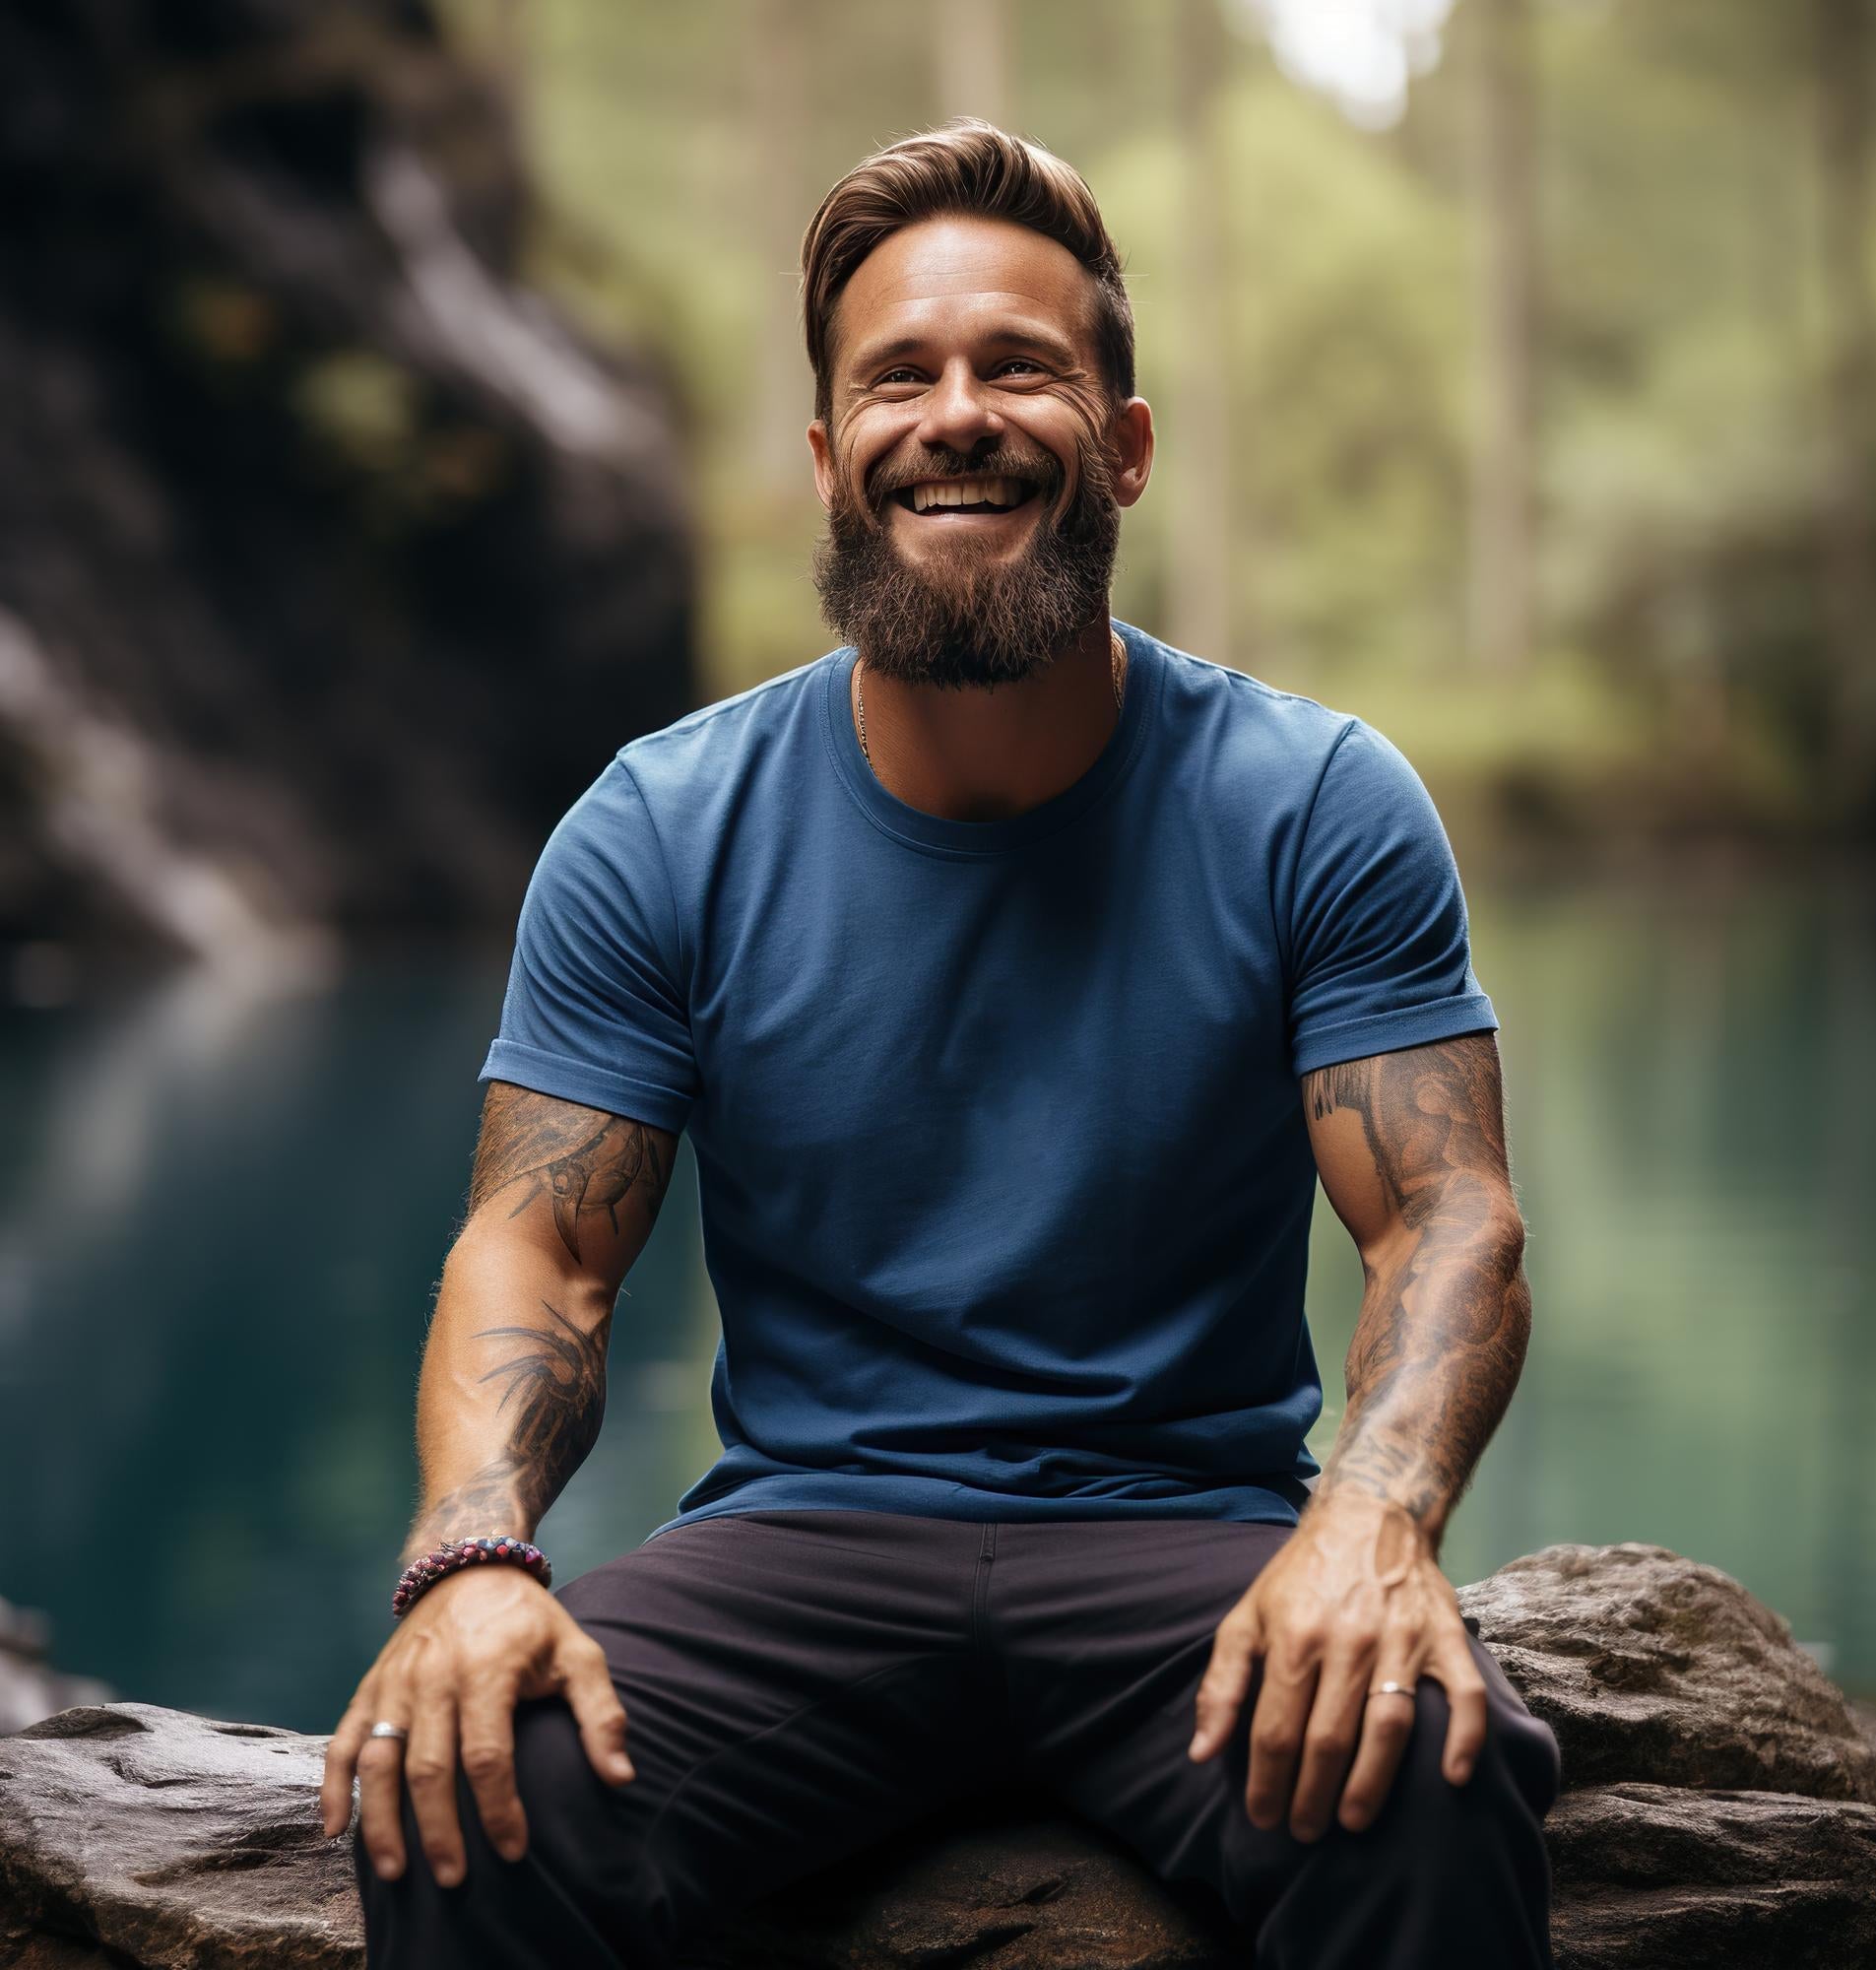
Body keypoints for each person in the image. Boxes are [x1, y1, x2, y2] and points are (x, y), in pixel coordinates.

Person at [323, 117, 1562, 1970]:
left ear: (1124, 447)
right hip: (803, 1547)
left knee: (1422, 1777)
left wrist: (1375, 1522)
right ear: (829, 461)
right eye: (897, 375)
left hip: (1191, 1541)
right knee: (475, 1785)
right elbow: (544, 1250)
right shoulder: (663, 827)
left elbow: (1445, 1218)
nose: (956, 414)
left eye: (1022, 370)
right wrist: (473, 1561)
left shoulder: (1315, 801)